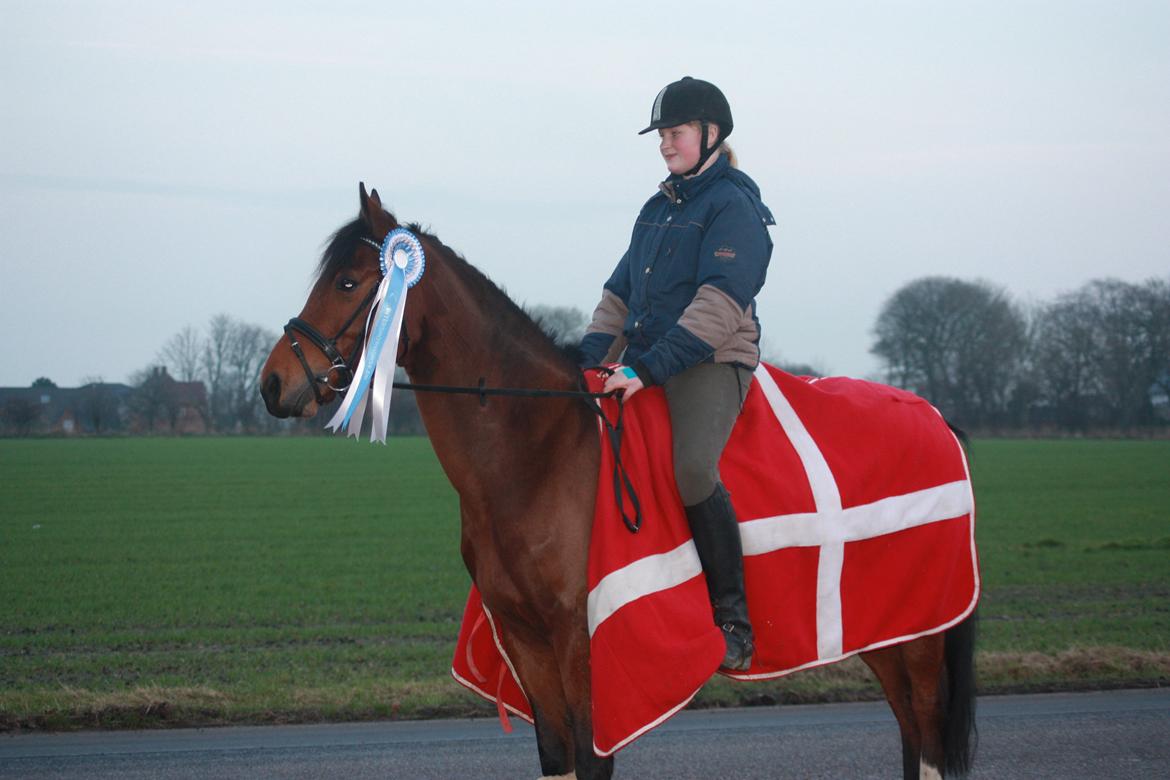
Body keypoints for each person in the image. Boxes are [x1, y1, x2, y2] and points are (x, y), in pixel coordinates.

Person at [578, 76, 775, 671]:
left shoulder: (735, 207)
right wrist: (586, 361)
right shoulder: (657, 207)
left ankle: (733, 618)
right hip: (648, 358)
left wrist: (647, 368)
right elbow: (620, 294)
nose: (665, 143)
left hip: (710, 360)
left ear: (711, 136)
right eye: (661, 134)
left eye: (676, 132)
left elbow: (718, 307)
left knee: (691, 470)